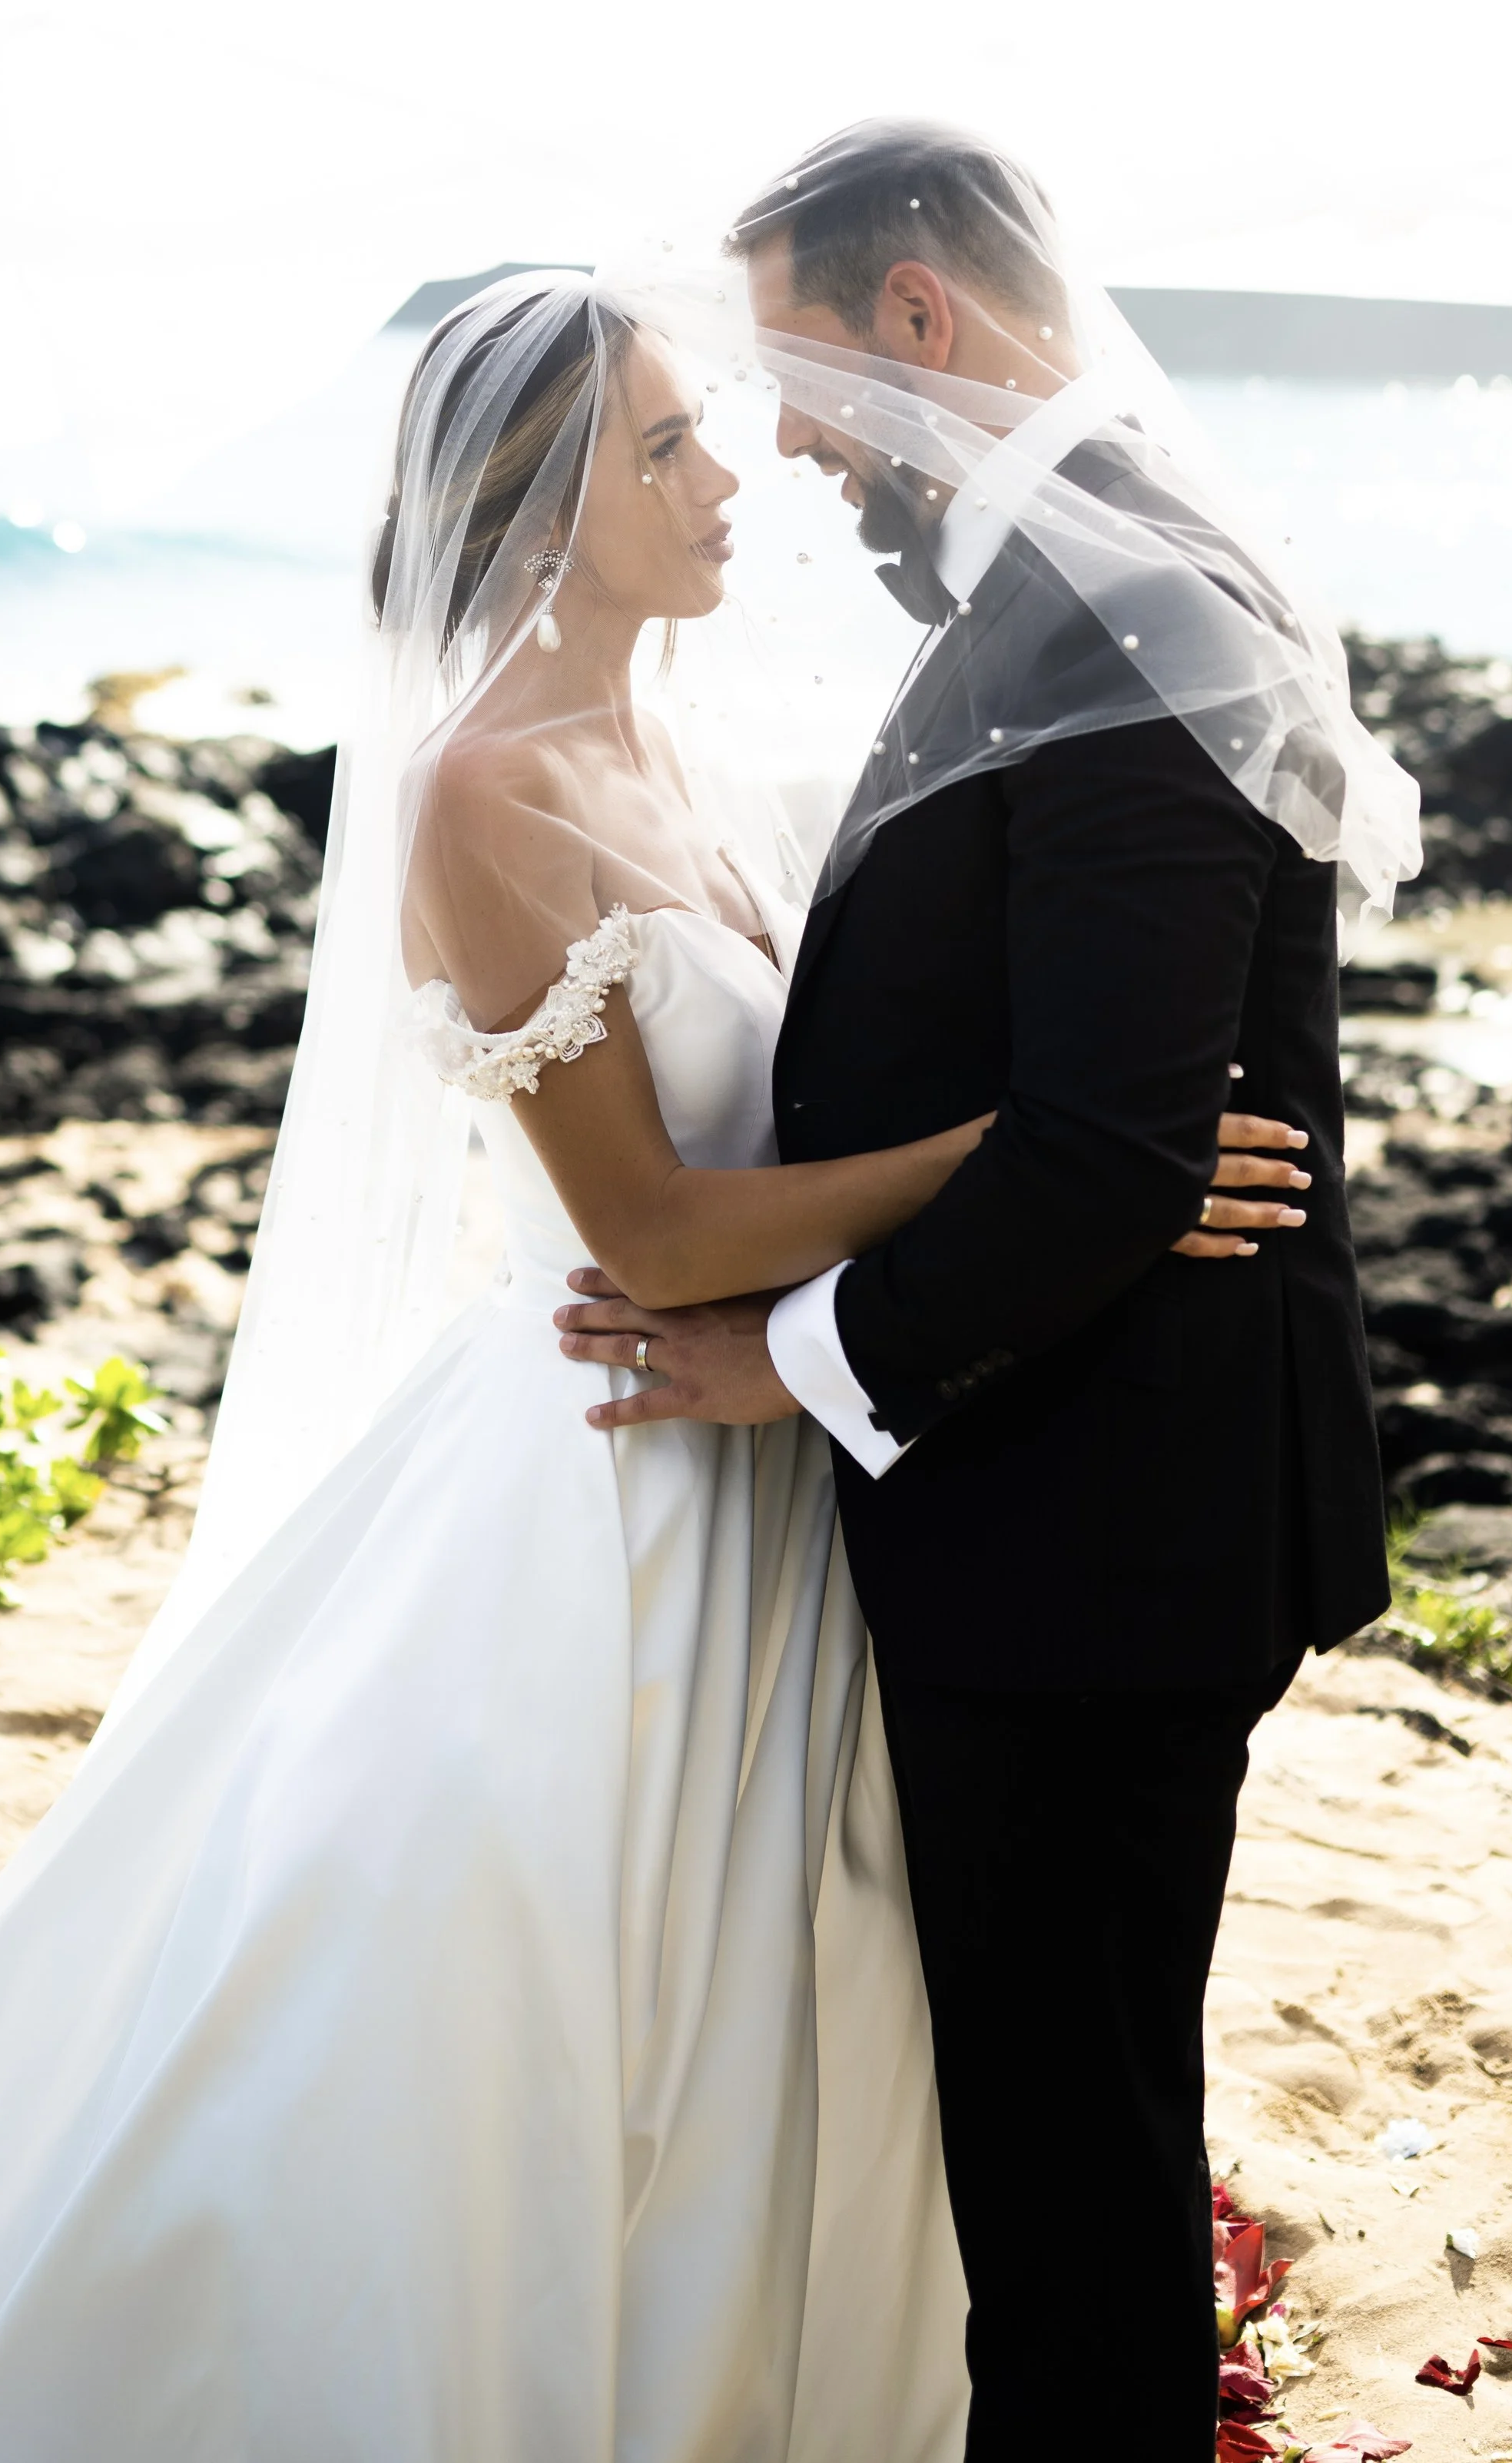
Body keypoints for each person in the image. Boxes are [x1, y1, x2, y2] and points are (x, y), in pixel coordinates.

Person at [0, 270, 1302, 2460]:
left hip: (771, 1441)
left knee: (770, 2008)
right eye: (667, 448)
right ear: (536, 497)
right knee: (531, 2000)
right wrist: (1050, 1156)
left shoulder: (668, 747)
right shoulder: (478, 790)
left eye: (712, 430)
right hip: (606, 1453)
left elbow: (800, 1117)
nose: (732, 481)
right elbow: (654, 1227)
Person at [557, 121, 1422, 2457]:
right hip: (1070, 1498)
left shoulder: (1122, 598)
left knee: (1065, 2183)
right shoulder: (1070, 568)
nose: (794, 441)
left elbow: (1118, 1148)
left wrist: (781, 1358)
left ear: (917, 318)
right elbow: (1095, 1113)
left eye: (801, 375)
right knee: (1059, 2146)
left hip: (1093, 1538)